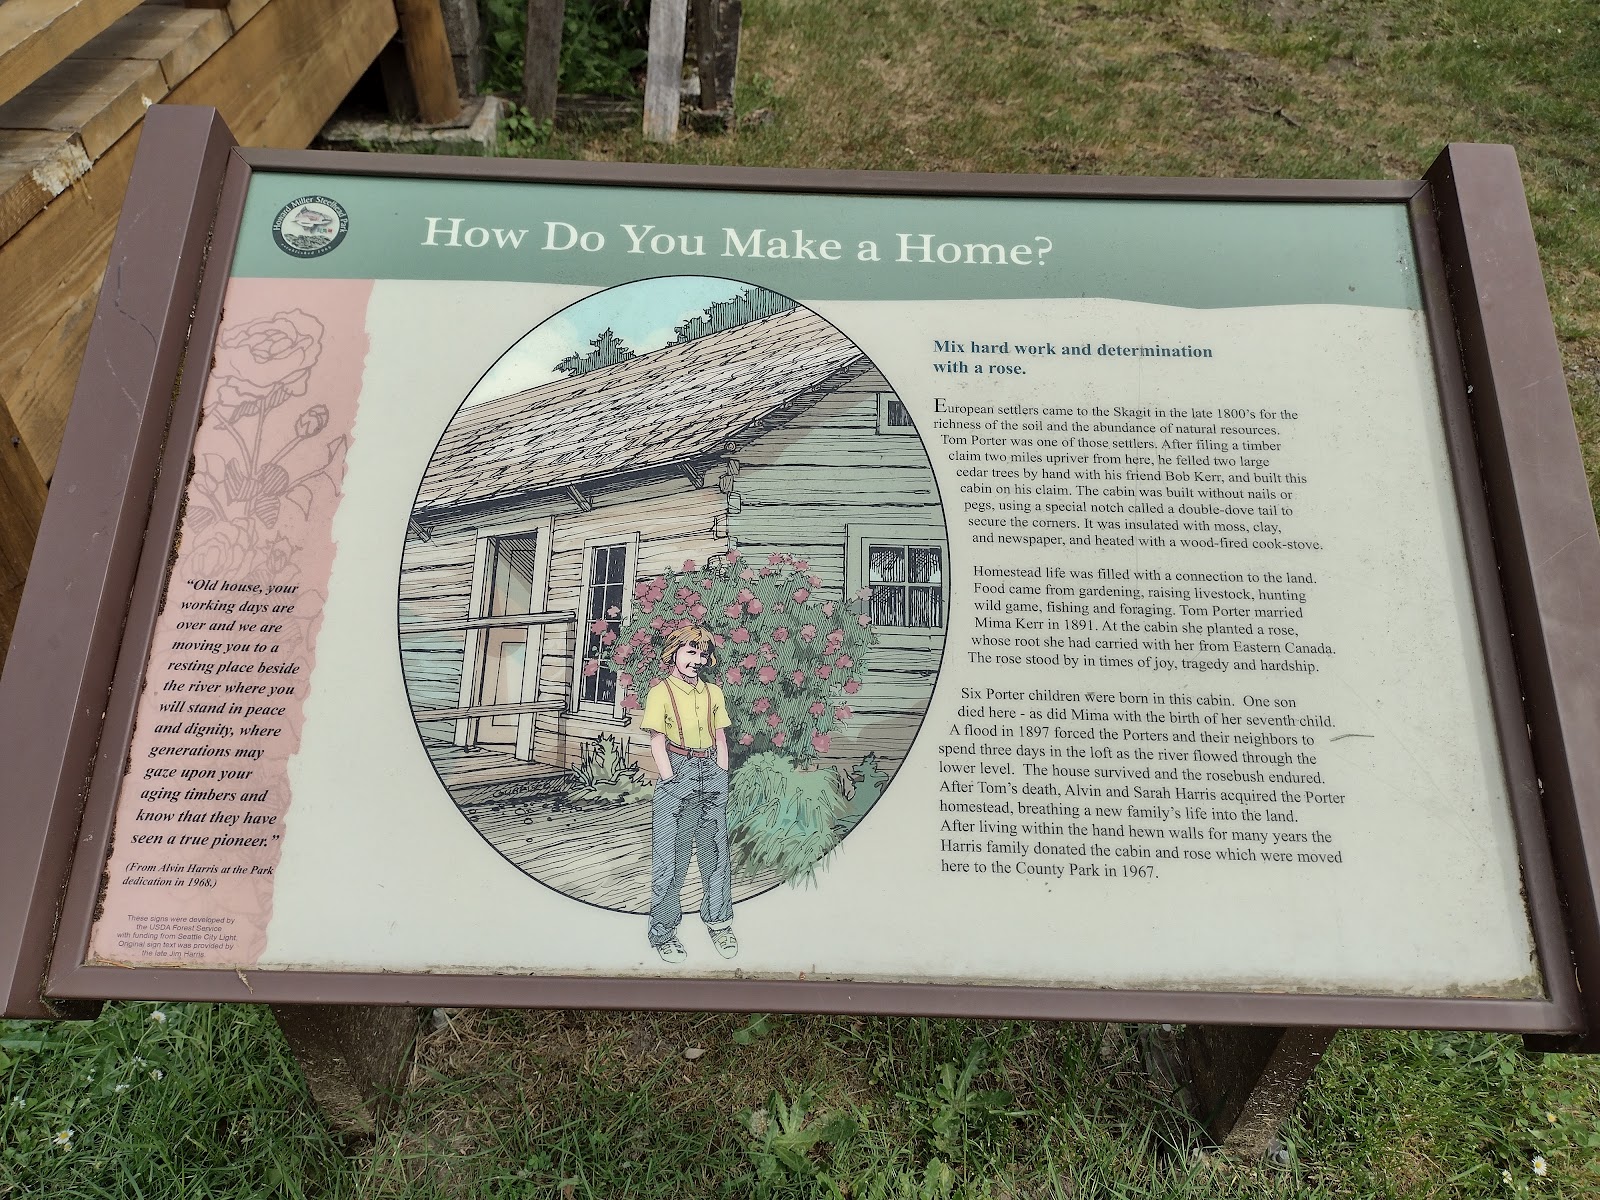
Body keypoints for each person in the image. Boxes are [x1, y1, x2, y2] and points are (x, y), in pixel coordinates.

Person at [640, 625, 737, 963]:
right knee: (672, 861)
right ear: (673, 654)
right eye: (690, 652)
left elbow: (721, 737)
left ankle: (719, 922)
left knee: (716, 855)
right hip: (677, 772)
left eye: (702, 653)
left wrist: (722, 774)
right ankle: (663, 932)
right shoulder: (660, 692)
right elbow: (656, 741)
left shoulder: (713, 692)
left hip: (710, 770)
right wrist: (669, 777)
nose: (698, 660)